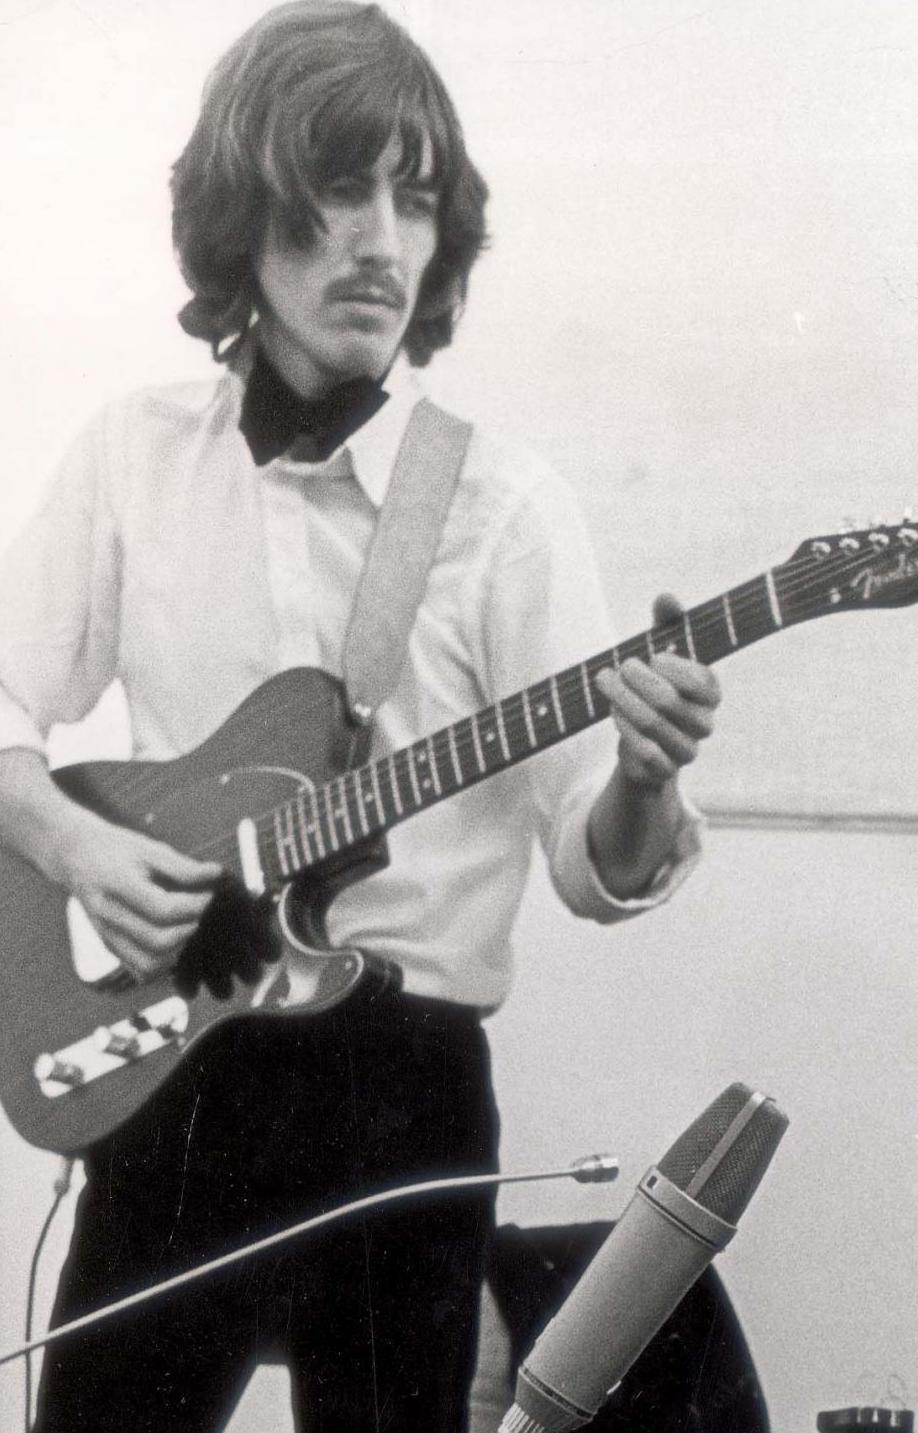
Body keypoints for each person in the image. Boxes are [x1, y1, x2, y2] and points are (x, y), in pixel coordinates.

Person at [0, 4, 721, 1428]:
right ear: (241, 217)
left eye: (414, 197)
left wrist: (642, 773)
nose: (383, 243)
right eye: (338, 191)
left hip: (405, 1094)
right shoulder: (130, 458)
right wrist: (76, 849)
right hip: (176, 1077)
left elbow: (594, 859)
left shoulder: (506, 506)